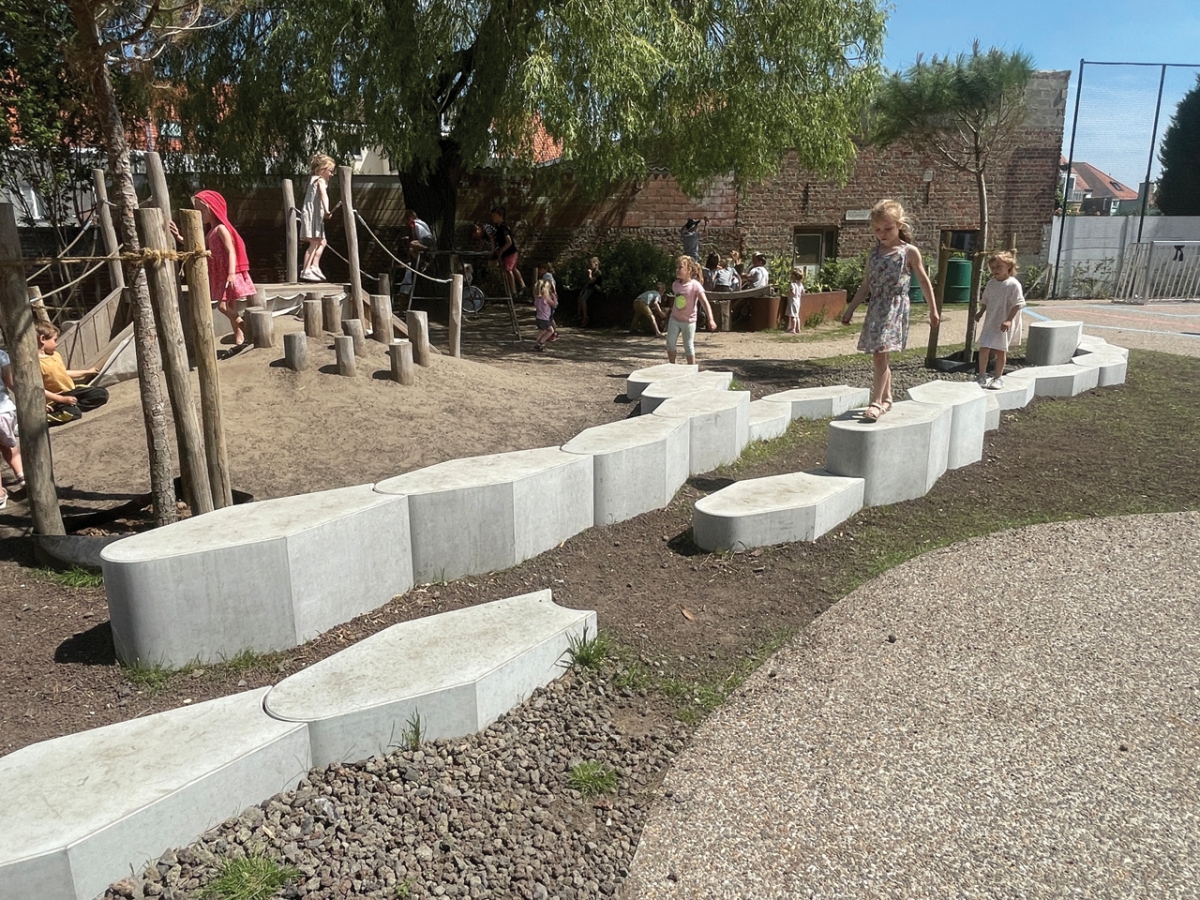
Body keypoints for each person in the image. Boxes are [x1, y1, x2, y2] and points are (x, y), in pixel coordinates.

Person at [840, 199, 939, 421]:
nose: (883, 233)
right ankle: (887, 398)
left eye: (888, 228)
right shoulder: (874, 253)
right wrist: (850, 309)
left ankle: (875, 402)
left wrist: (933, 309)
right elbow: (866, 285)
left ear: (899, 226)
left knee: (879, 354)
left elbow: (924, 281)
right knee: (880, 355)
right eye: (878, 230)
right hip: (876, 307)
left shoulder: (909, 252)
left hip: (895, 308)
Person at [171, 189, 257, 347]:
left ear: (211, 208)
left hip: (226, 272)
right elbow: (198, 246)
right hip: (219, 272)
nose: (198, 214)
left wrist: (231, 273)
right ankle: (239, 337)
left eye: (201, 210)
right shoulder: (211, 232)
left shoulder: (221, 229)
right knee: (230, 305)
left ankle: (243, 324)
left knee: (222, 306)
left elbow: (231, 250)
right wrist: (179, 237)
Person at [37, 322, 109, 425]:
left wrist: (87, 372)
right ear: (42, 339)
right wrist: (61, 399)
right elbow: (38, 389)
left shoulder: (55, 355)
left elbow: (63, 373)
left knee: (101, 394)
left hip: (71, 390)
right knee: (72, 414)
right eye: (54, 340)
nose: (56, 344)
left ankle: (72, 405)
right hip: (55, 398)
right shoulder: (36, 364)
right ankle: (44, 419)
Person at [974, 250, 1026, 390]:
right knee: (984, 347)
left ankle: (998, 377)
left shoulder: (1013, 285)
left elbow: (1018, 304)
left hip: (1004, 322)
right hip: (991, 321)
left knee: (1000, 349)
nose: (995, 270)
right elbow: (986, 300)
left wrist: (1009, 320)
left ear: (1008, 266)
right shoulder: (991, 284)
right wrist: (981, 312)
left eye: (999, 267)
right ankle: (982, 374)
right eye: (993, 267)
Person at [666, 256, 716, 365]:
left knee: (688, 345)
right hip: (674, 319)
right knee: (670, 343)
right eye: (677, 268)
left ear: (689, 270)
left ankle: (691, 368)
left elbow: (705, 303)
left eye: (680, 267)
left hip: (689, 321)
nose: (677, 270)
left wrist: (711, 319)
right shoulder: (675, 285)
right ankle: (672, 365)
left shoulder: (695, 285)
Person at [299, 154, 334, 282]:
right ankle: (306, 269)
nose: (331, 174)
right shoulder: (319, 180)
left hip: (315, 215)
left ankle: (314, 266)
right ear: (322, 169)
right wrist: (327, 209)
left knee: (322, 242)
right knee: (314, 242)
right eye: (330, 171)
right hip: (312, 215)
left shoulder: (313, 180)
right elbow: (324, 195)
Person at [0, 349, 24, 504]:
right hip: (4, 410)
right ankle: (22, 476)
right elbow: (10, 382)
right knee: (9, 444)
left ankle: (0, 495)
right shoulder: (1, 354)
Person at [490, 207, 525, 296]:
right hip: (507, 253)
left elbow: (509, 241)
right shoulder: (498, 227)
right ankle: (522, 286)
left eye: (495, 215)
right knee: (513, 269)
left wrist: (501, 250)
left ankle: (513, 292)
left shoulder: (504, 228)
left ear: (500, 216)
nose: (493, 217)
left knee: (508, 270)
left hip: (510, 252)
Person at [532, 274, 559, 351]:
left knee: (541, 331)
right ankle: (541, 342)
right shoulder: (546, 298)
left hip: (538, 318)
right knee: (551, 331)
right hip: (545, 319)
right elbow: (554, 305)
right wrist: (554, 297)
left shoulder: (537, 299)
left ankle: (537, 343)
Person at [577, 255, 601, 328]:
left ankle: (585, 316)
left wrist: (589, 274)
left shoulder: (597, 272)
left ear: (596, 264)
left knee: (583, 300)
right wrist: (582, 290)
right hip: (588, 288)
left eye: (591, 264)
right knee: (579, 299)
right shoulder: (593, 272)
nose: (590, 266)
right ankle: (579, 314)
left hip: (593, 289)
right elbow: (587, 283)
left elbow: (591, 281)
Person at [785, 267, 805, 334]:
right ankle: (798, 328)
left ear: (794, 276)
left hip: (793, 301)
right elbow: (803, 292)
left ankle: (793, 329)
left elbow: (792, 292)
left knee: (793, 316)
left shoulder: (792, 284)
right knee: (797, 316)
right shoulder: (800, 285)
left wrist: (787, 293)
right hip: (798, 301)